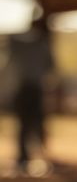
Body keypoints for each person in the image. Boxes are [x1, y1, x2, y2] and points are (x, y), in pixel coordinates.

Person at [7, 14, 54, 170]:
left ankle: (28, 156)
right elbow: (50, 68)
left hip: (27, 89)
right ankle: (31, 155)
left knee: (28, 123)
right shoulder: (38, 46)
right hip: (31, 89)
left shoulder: (23, 44)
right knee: (33, 123)